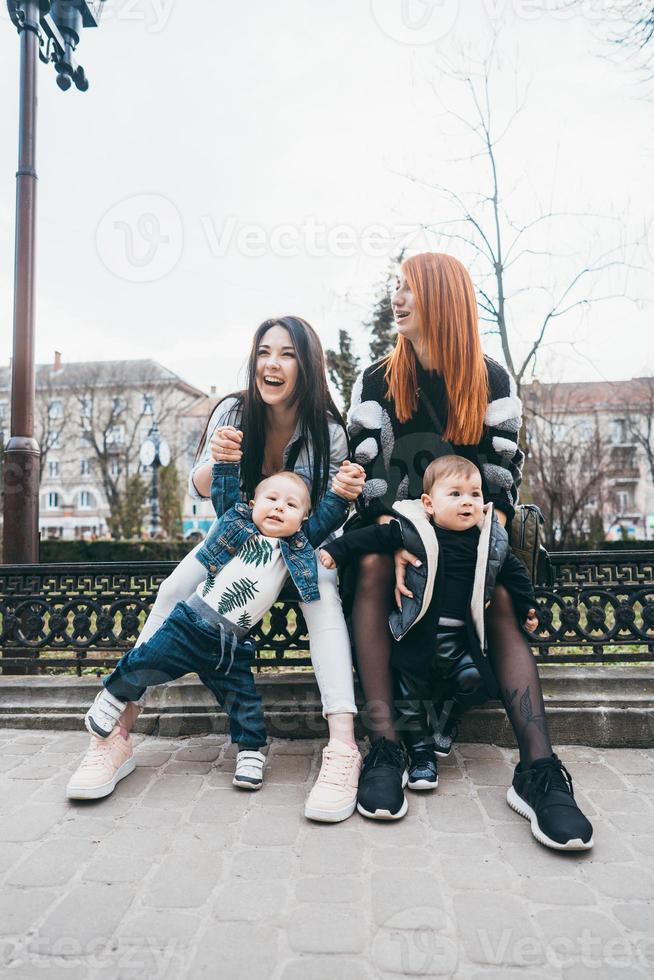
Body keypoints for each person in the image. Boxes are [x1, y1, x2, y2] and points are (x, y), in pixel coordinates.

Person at [66, 316, 366, 823]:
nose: (272, 363)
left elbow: (336, 508)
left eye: (287, 354)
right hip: (235, 541)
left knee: (325, 600)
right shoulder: (233, 408)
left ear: (308, 365)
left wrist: (343, 496)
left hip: (302, 542)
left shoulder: (328, 430)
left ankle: (343, 748)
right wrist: (220, 456)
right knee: (173, 588)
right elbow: (203, 487)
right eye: (264, 351)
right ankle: (117, 736)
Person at [346, 252, 594, 850]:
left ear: (442, 298)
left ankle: (538, 772)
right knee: (377, 561)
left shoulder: (493, 381)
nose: (397, 300)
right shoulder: (376, 381)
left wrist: (485, 552)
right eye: (396, 290)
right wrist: (400, 534)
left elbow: (502, 487)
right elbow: (367, 478)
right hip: (401, 535)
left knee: (503, 591)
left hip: (474, 543)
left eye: (408, 290)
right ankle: (385, 746)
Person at [69, 462, 356, 796]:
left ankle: (250, 752)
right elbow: (224, 493)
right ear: (252, 505)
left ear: (303, 519)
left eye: (292, 505)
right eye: (272, 499)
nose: (279, 507)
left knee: (244, 702)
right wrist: (227, 463)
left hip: (230, 646)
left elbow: (327, 517)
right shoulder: (234, 527)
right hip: (188, 626)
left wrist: (339, 492)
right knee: (144, 663)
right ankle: (111, 699)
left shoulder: (294, 547)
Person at [320, 455, 540, 805]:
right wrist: (335, 550)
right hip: (417, 642)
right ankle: (421, 758)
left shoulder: (488, 542)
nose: (467, 501)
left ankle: (446, 720)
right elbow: (374, 536)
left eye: (474, 494)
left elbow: (514, 573)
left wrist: (530, 607)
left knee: (478, 682)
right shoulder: (416, 533)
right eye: (455, 494)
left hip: (459, 641)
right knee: (408, 701)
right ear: (429, 504)